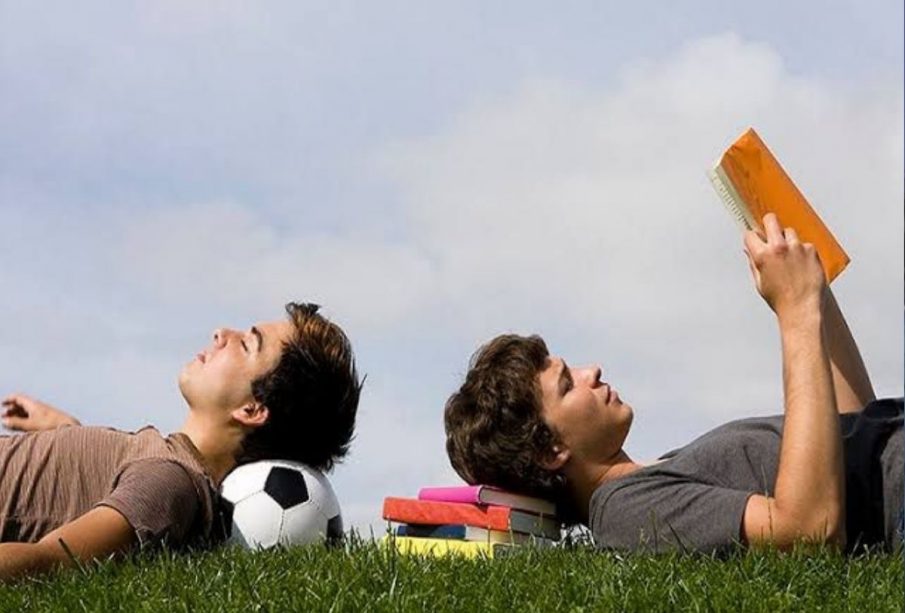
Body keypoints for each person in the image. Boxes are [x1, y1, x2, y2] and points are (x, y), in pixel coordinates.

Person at [445, 214, 903, 555]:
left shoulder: (664, 472)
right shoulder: (624, 511)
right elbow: (808, 532)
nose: (592, 372)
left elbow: (851, 422)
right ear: (550, 451)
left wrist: (813, 291)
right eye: (567, 385)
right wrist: (796, 310)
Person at [0, 302, 361, 580]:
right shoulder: (167, 464)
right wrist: (61, 426)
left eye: (246, 344)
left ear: (252, 409)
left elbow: (54, 560)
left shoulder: (170, 482)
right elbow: (83, 487)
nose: (221, 333)